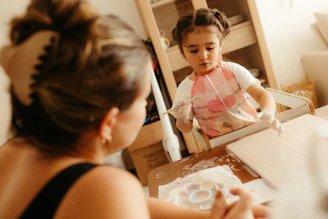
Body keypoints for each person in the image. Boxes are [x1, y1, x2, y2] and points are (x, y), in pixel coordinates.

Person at [0, 0, 269, 218]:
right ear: (109, 122)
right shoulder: (106, 187)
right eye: (144, 101)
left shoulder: (14, 150)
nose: (146, 107)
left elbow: (138, 206)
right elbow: (111, 198)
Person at [170, 8, 284, 138]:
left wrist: (268, 112)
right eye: (194, 50)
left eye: (210, 48)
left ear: (220, 46)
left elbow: (262, 95)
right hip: (220, 145)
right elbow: (185, 128)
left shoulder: (234, 71)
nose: (203, 56)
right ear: (181, 51)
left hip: (253, 133)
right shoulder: (185, 89)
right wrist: (182, 119)